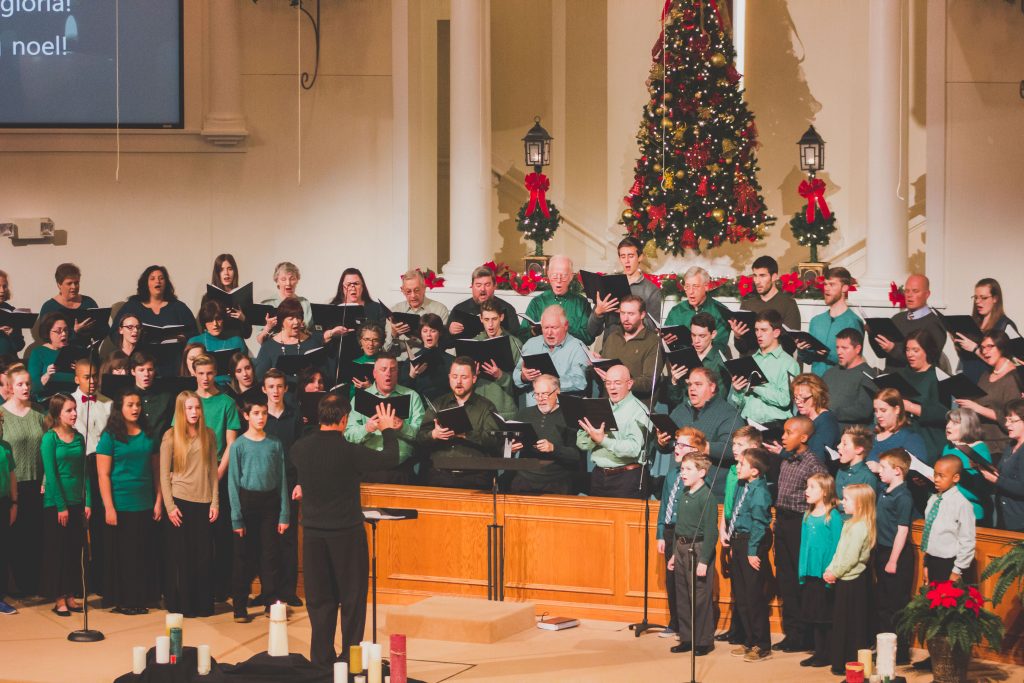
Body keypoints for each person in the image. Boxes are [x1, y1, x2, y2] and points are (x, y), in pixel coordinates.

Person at [291, 393, 401, 665]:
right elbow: (390, 458)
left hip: (313, 535)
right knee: (351, 598)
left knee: (319, 600)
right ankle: (351, 659)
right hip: (346, 534)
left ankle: (321, 660)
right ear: (344, 420)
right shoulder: (349, 452)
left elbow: (303, 473)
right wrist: (387, 430)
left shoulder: (299, 449)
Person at [96, 388, 161, 614]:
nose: (135, 409)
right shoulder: (110, 436)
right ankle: (125, 600)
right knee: (124, 555)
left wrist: (158, 500)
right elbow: (103, 474)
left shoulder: (148, 434)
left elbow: (156, 471)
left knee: (142, 553)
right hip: (120, 503)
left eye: (137, 405)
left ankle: (142, 597)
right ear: (119, 408)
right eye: (130, 405)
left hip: (144, 502)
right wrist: (109, 507)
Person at [228, 396, 289, 622]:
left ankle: (270, 600)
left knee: (270, 555)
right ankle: (240, 605)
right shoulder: (239, 445)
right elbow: (233, 482)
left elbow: (282, 479)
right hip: (247, 503)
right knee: (243, 556)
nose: (261, 417)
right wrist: (236, 517)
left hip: (270, 503)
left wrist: (284, 513)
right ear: (246, 416)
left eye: (264, 413)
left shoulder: (274, 443)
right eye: (256, 413)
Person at [159, 391, 219, 618]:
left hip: (203, 502)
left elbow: (213, 471)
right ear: (181, 411)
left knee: (203, 557)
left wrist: (215, 502)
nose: (194, 412)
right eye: (189, 408)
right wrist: (170, 506)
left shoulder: (209, 435)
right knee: (181, 557)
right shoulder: (170, 436)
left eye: (197, 408)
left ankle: (203, 605)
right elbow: (164, 475)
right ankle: (182, 604)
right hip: (180, 502)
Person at [772, 416, 827, 652]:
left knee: (799, 578)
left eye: (788, 432)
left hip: (799, 524)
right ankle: (792, 632)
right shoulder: (786, 460)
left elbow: (822, 494)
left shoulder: (813, 463)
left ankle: (805, 634)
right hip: (783, 521)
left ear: (803, 438)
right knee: (785, 579)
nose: (783, 437)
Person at [193, 354, 242, 602]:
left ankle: (222, 588)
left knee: (221, 537)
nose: (205, 378)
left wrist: (218, 475)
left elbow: (232, 444)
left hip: (219, 474)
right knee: (198, 538)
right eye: (201, 374)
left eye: (210, 373)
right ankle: (199, 587)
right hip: (193, 478)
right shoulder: (189, 402)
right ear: (194, 373)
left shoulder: (226, 402)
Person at [666, 437, 719, 657]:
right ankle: (687, 637)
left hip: (697, 550)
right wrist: (672, 554)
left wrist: (704, 561)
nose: (683, 473)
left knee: (698, 596)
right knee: (683, 595)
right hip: (680, 548)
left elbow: (711, 532)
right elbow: (679, 527)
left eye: (688, 469)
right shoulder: (685, 494)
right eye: (682, 469)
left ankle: (703, 640)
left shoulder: (706, 497)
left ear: (702, 473)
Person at [415, 356, 500, 489]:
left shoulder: (486, 406)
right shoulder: (438, 404)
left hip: (475, 477)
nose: (458, 382)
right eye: (454, 376)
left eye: (464, 377)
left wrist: (467, 434)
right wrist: (434, 434)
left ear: (474, 379)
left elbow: (495, 440)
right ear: (449, 377)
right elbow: (420, 438)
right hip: (439, 475)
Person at [40, 394, 90, 617]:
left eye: (75, 409)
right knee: (57, 551)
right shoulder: (50, 439)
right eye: (69, 410)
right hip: (57, 503)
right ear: (58, 413)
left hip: (77, 501)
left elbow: (84, 471)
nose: (74, 414)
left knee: (73, 550)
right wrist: (61, 506)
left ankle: (70, 594)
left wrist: (87, 500)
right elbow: (51, 475)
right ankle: (58, 596)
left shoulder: (79, 437)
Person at [656, 426, 708, 640]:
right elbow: (664, 505)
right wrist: (660, 532)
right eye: (676, 443)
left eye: (682, 445)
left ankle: (690, 625)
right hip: (669, 531)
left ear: (694, 450)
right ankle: (675, 622)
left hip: (684, 532)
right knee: (671, 579)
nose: (676, 448)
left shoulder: (694, 477)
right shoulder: (671, 475)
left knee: (686, 580)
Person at [723, 447, 773, 663]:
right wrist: (733, 541)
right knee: (741, 596)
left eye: (742, 464)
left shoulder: (760, 491)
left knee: (753, 597)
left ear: (754, 471)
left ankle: (762, 644)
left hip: (752, 544)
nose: (737, 467)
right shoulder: (742, 486)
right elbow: (736, 513)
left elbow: (760, 524)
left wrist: (752, 551)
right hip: (739, 541)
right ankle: (749, 640)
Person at [1, 365, 46, 597]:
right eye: (20, 384)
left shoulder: (39, 413)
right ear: (10, 387)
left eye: (28, 383)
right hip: (13, 486)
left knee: (36, 536)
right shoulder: (2, 414)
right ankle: (18, 587)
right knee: (16, 538)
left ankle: (35, 584)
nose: (26, 388)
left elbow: (49, 447)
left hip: (37, 484)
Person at [659, 367, 739, 497]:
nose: (692, 388)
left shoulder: (728, 414)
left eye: (698, 384)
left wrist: (699, 446)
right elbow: (666, 446)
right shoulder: (681, 410)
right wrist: (662, 442)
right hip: (677, 490)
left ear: (712, 387)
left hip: (710, 493)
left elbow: (731, 449)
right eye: (690, 384)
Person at [344, 354, 425, 484]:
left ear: (397, 373)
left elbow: (422, 435)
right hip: (368, 467)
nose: (388, 374)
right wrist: (367, 428)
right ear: (374, 373)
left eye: (393, 369)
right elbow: (348, 435)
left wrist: (403, 427)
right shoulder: (359, 399)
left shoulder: (412, 396)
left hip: (400, 469)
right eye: (383, 369)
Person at [714, 426, 761, 646]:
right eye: (733, 444)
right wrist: (723, 526)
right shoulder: (734, 470)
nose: (734, 449)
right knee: (736, 587)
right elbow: (728, 501)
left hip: (746, 532)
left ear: (753, 447)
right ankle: (737, 630)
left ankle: (749, 635)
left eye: (740, 445)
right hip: (731, 527)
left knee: (747, 588)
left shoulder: (754, 472)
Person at [575, 364, 652, 498]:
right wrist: (593, 438)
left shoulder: (639, 410)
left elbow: (634, 449)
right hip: (599, 477)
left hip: (626, 479)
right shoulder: (599, 407)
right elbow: (581, 444)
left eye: (617, 383)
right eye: (608, 383)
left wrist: (603, 441)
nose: (612, 387)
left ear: (629, 384)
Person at [823, 483, 876, 677]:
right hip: (843, 577)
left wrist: (835, 572)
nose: (841, 502)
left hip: (853, 581)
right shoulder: (850, 523)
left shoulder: (861, 527)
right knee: (841, 621)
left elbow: (851, 557)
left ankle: (850, 662)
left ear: (860, 504)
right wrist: (831, 568)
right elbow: (840, 551)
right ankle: (839, 661)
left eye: (846, 499)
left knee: (852, 623)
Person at [261, 369, 304, 606]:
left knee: (288, 539)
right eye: (271, 387)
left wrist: (300, 481)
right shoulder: (259, 415)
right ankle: (267, 591)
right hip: (264, 483)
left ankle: (288, 591)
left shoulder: (294, 415)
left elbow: (300, 450)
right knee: (266, 538)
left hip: (289, 481)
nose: (275, 391)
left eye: (279, 386)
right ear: (264, 389)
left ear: (285, 388)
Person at [71, 359, 110, 594]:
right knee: (78, 525)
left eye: (95, 376)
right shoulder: (69, 403)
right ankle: (77, 584)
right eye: (87, 377)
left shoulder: (108, 404)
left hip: (102, 466)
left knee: (101, 526)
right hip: (78, 465)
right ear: (76, 378)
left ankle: (101, 580)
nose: (92, 381)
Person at [796, 472, 842, 668]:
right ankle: (818, 651)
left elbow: (837, 545)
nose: (806, 491)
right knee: (814, 614)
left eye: (812, 487)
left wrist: (831, 570)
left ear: (824, 492)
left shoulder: (833, 516)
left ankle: (828, 653)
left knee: (826, 615)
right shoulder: (807, 515)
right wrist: (802, 570)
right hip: (810, 572)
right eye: (807, 487)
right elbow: (804, 545)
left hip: (826, 573)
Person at [507, 375, 581, 495]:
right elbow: (506, 450)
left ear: (557, 392)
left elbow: (576, 456)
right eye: (537, 394)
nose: (540, 399)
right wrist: (511, 449)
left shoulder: (569, 416)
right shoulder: (524, 414)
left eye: (545, 394)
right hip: (524, 480)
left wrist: (553, 448)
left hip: (556, 482)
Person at [875, 448, 915, 665]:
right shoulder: (885, 490)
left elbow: (902, 530)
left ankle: (900, 652)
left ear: (898, 471)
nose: (879, 471)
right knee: (882, 602)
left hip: (896, 555)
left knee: (897, 605)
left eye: (884, 468)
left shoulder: (903, 496)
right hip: (882, 551)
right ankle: (885, 648)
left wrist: (893, 559)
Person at [954, 330, 1020, 455]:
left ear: (1002, 347)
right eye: (983, 347)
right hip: (981, 441)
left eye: (990, 347)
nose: (984, 351)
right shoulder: (987, 374)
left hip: (1000, 446)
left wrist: (977, 407)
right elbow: (980, 401)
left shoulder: (1012, 378)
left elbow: (1010, 417)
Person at [727, 310, 799, 424]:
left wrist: (756, 387)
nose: (759, 334)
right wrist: (737, 391)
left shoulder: (789, 364)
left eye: (764, 330)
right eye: (756, 330)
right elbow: (738, 403)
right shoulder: (750, 360)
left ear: (776, 333)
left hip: (774, 425)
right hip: (747, 422)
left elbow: (785, 399)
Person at [586, 236, 662, 341]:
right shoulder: (608, 283)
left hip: (637, 351)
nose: (626, 261)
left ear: (640, 257)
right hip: (610, 350)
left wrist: (629, 313)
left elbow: (654, 330)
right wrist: (598, 312)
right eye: (623, 256)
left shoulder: (651, 291)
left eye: (631, 256)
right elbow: (591, 331)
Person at [254, 299, 344, 383]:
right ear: (282, 321)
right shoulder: (269, 346)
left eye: (298, 317)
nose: (296, 322)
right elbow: (259, 378)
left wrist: (333, 332)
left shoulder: (312, 342)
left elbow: (325, 375)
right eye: (291, 319)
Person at [872, 274, 948, 372]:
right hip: (890, 379)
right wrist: (872, 333)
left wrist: (893, 349)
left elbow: (930, 359)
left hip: (915, 382)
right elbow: (881, 353)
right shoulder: (897, 318)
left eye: (915, 291)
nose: (909, 295)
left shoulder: (935, 323)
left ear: (927, 294)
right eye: (906, 291)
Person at [514, 305, 590, 403]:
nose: (549, 333)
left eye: (554, 327)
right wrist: (523, 377)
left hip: (561, 411)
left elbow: (580, 382)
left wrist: (550, 383)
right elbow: (516, 374)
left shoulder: (577, 347)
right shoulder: (531, 344)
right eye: (545, 327)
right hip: (534, 409)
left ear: (565, 326)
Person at [950, 278, 1017, 383]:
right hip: (968, 381)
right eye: (976, 297)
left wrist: (975, 348)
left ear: (995, 298)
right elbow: (967, 359)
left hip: (989, 386)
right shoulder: (973, 323)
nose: (977, 302)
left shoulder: (1005, 325)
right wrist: (958, 345)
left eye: (983, 298)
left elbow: (1011, 362)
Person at [113, 265, 197, 347]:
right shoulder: (132, 306)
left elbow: (194, 333)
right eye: (152, 279)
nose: (158, 281)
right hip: (140, 356)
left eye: (161, 278)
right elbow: (114, 331)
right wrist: (127, 348)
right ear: (146, 283)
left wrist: (184, 337)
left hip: (173, 354)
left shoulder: (179, 307)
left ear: (166, 283)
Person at [800, 267, 862, 376]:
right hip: (816, 385)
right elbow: (808, 360)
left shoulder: (853, 321)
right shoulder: (816, 321)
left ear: (845, 288)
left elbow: (855, 361)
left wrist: (826, 354)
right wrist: (802, 350)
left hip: (840, 385)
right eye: (825, 284)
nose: (827, 289)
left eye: (832, 284)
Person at [896, 329, 948, 457]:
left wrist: (911, 407)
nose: (910, 354)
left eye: (915, 350)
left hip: (929, 440)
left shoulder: (938, 376)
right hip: (903, 437)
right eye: (907, 350)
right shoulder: (902, 374)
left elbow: (944, 413)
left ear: (927, 351)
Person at [734, 256, 800, 356]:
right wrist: (738, 336)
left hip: (776, 364)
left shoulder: (788, 304)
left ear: (774, 277)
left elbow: (790, 346)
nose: (757, 281)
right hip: (750, 363)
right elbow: (742, 349)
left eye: (762, 276)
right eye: (755, 276)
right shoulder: (747, 304)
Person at [597, 295, 659, 400]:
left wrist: (623, 383)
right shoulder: (613, 337)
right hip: (608, 402)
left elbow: (649, 382)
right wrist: (595, 364)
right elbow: (602, 374)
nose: (625, 318)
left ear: (642, 315)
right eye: (622, 313)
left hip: (635, 405)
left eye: (631, 314)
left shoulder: (653, 342)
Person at [521, 255, 593, 344]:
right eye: (554, 275)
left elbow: (589, 337)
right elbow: (522, 335)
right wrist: (532, 332)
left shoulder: (582, 303)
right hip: (543, 352)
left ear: (571, 276)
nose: (558, 280)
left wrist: (562, 333)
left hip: (572, 353)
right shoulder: (537, 302)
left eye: (564, 276)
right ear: (548, 275)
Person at [469, 300, 522, 419]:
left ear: (501, 317)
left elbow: (520, 385)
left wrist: (500, 376)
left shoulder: (514, 343)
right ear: (481, 319)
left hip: (504, 411)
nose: (490, 325)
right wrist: (473, 375)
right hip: (479, 410)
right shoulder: (473, 343)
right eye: (486, 320)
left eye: (494, 319)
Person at [663, 266, 731, 357]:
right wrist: (666, 341)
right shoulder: (676, 312)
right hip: (681, 361)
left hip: (711, 364)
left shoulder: (720, 311)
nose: (691, 291)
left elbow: (720, 347)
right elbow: (666, 343)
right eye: (687, 286)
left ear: (706, 287)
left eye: (695, 286)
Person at [941, 408, 993, 524]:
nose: (948, 426)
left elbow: (983, 485)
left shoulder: (979, 448)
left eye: (954, 423)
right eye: (948, 422)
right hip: (947, 510)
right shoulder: (947, 448)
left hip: (970, 512)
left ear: (967, 426)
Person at [666, 312, 728, 405]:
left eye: (702, 336)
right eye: (693, 335)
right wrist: (674, 382)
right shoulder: (684, 355)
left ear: (713, 334)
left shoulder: (721, 363)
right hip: (684, 412)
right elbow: (675, 400)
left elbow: (720, 400)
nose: (696, 341)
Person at [822, 328, 878, 429]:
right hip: (825, 428)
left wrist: (830, 413)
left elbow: (864, 410)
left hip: (850, 435)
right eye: (837, 347)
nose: (839, 352)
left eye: (844, 348)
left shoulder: (867, 375)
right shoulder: (830, 373)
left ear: (857, 349)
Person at [982, 398, 1024, 531]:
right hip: (1005, 517)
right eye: (1006, 420)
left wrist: (995, 479)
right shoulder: (1011, 446)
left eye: (1012, 421)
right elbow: (1005, 476)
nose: (1007, 425)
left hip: (1019, 521)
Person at [38, 263, 101, 343]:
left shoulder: (88, 302)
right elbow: (45, 336)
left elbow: (103, 330)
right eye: (69, 283)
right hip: (60, 353)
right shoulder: (49, 307)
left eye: (76, 283)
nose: (74, 287)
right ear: (59, 285)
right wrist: (74, 332)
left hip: (88, 352)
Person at [389, 270, 449, 351]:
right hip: (400, 361)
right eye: (408, 291)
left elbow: (445, 344)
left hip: (430, 359)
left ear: (424, 288)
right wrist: (393, 334)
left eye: (417, 290)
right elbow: (386, 349)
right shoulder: (395, 310)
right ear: (402, 290)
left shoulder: (440, 309)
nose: (413, 295)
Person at [448, 266, 518, 336]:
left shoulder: (507, 309)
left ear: (494, 286)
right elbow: (444, 343)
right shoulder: (459, 309)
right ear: (472, 286)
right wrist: (450, 331)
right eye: (478, 285)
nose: (482, 289)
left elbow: (516, 339)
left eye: (487, 285)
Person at [867, 388, 929, 465]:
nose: (878, 415)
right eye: (876, 411)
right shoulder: (869, 433)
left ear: (897, 409)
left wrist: (880, 468)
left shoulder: (910, 438)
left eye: (883, 410)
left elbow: (917, 470)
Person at [258, 261, 313, 344]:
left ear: (297, 280)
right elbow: (260, 340)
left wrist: (304, 329)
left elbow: (312, 334)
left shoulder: (305, 303)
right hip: (276, 350)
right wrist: (268, 327)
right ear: (277, 281)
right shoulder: (267, 304)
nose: (288, 283)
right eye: (283, 279)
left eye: (292, 279)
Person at [792, 373, 840, 467]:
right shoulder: (801, 415)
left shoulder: (827, 421)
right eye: (796, 397)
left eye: (803, 398)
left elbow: (818, 459)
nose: (798, 402)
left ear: (817, 396)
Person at [403, 313, 454, 401]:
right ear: (421, 334)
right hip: (421, 407)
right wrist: (412, 376)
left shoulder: (451, 361)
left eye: (433, 331)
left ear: (440, 333)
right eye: (425, 331)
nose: (429, 335)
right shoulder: (411, 361)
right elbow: (404, 393)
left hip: (445, 405)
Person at [27, 312, 74, 401]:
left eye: (66, 330)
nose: (64, 334)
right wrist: (47, 375)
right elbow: (32, 388)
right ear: (48, 332)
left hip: (72, 400)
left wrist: (80, 370)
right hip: (48, 401)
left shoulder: (74, 351)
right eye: (58, 331)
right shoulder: (38, 353)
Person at [205, 253, 252, 339]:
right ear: (217, 273)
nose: (226, 273)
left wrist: (243, 318)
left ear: (235, 271)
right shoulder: (208, 298)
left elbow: (247, 334)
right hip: (216, 343)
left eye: (230, 269)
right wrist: (221, 315)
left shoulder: (242, 296)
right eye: (221, 270)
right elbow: (203, 327)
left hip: (236, 342)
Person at [130, 351, 175, 440]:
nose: (146, 374)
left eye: (150, 370)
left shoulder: (167, 397)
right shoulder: (126, 397)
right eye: (141, 370)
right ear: (133, 371)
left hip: (161, 450)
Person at [835, 426, 880, 502]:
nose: (838, 446)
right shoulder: (841, 471)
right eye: (840, 442)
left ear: (858, 449)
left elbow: (867, 508)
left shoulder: (868, 477)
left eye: (844, 444)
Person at [0, 419, 16, 615]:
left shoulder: (5, 446)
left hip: (3, 502)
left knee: (2, 550)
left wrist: (14, 502)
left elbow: (12, 475)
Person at [0, 270, 26, 356]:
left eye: (4, 286)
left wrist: (12, 334)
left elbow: (19, 346)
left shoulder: (11, 311)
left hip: (10, 364)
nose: (2, 290)